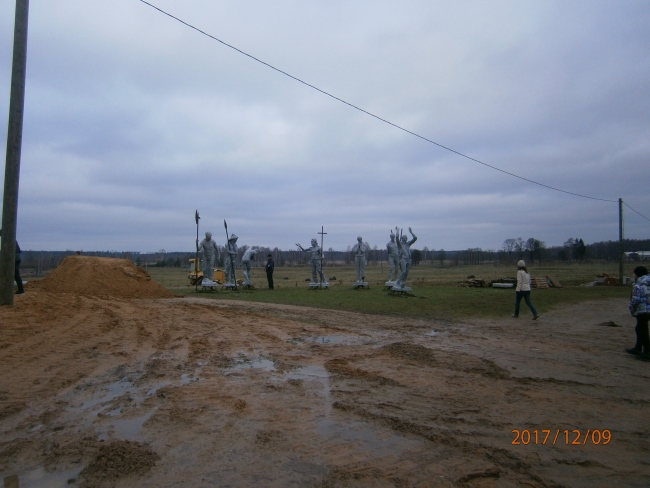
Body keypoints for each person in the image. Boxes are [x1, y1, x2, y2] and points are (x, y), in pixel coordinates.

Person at [627, 265, 650, 361]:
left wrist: (631, 309)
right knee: (640, 328)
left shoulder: (638, 285)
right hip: (648, 310)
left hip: (642, 310)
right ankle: (638, 347)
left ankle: (647, 352)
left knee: (642, 330)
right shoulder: (648, 282)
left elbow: (635, 300)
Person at [0, 229, 23, 295]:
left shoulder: (6, 240)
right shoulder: (12, 239)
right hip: (16, 258)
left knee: (7, 274)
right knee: (16, 275)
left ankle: (18, 290)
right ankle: (21, 290)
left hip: (12, 258)